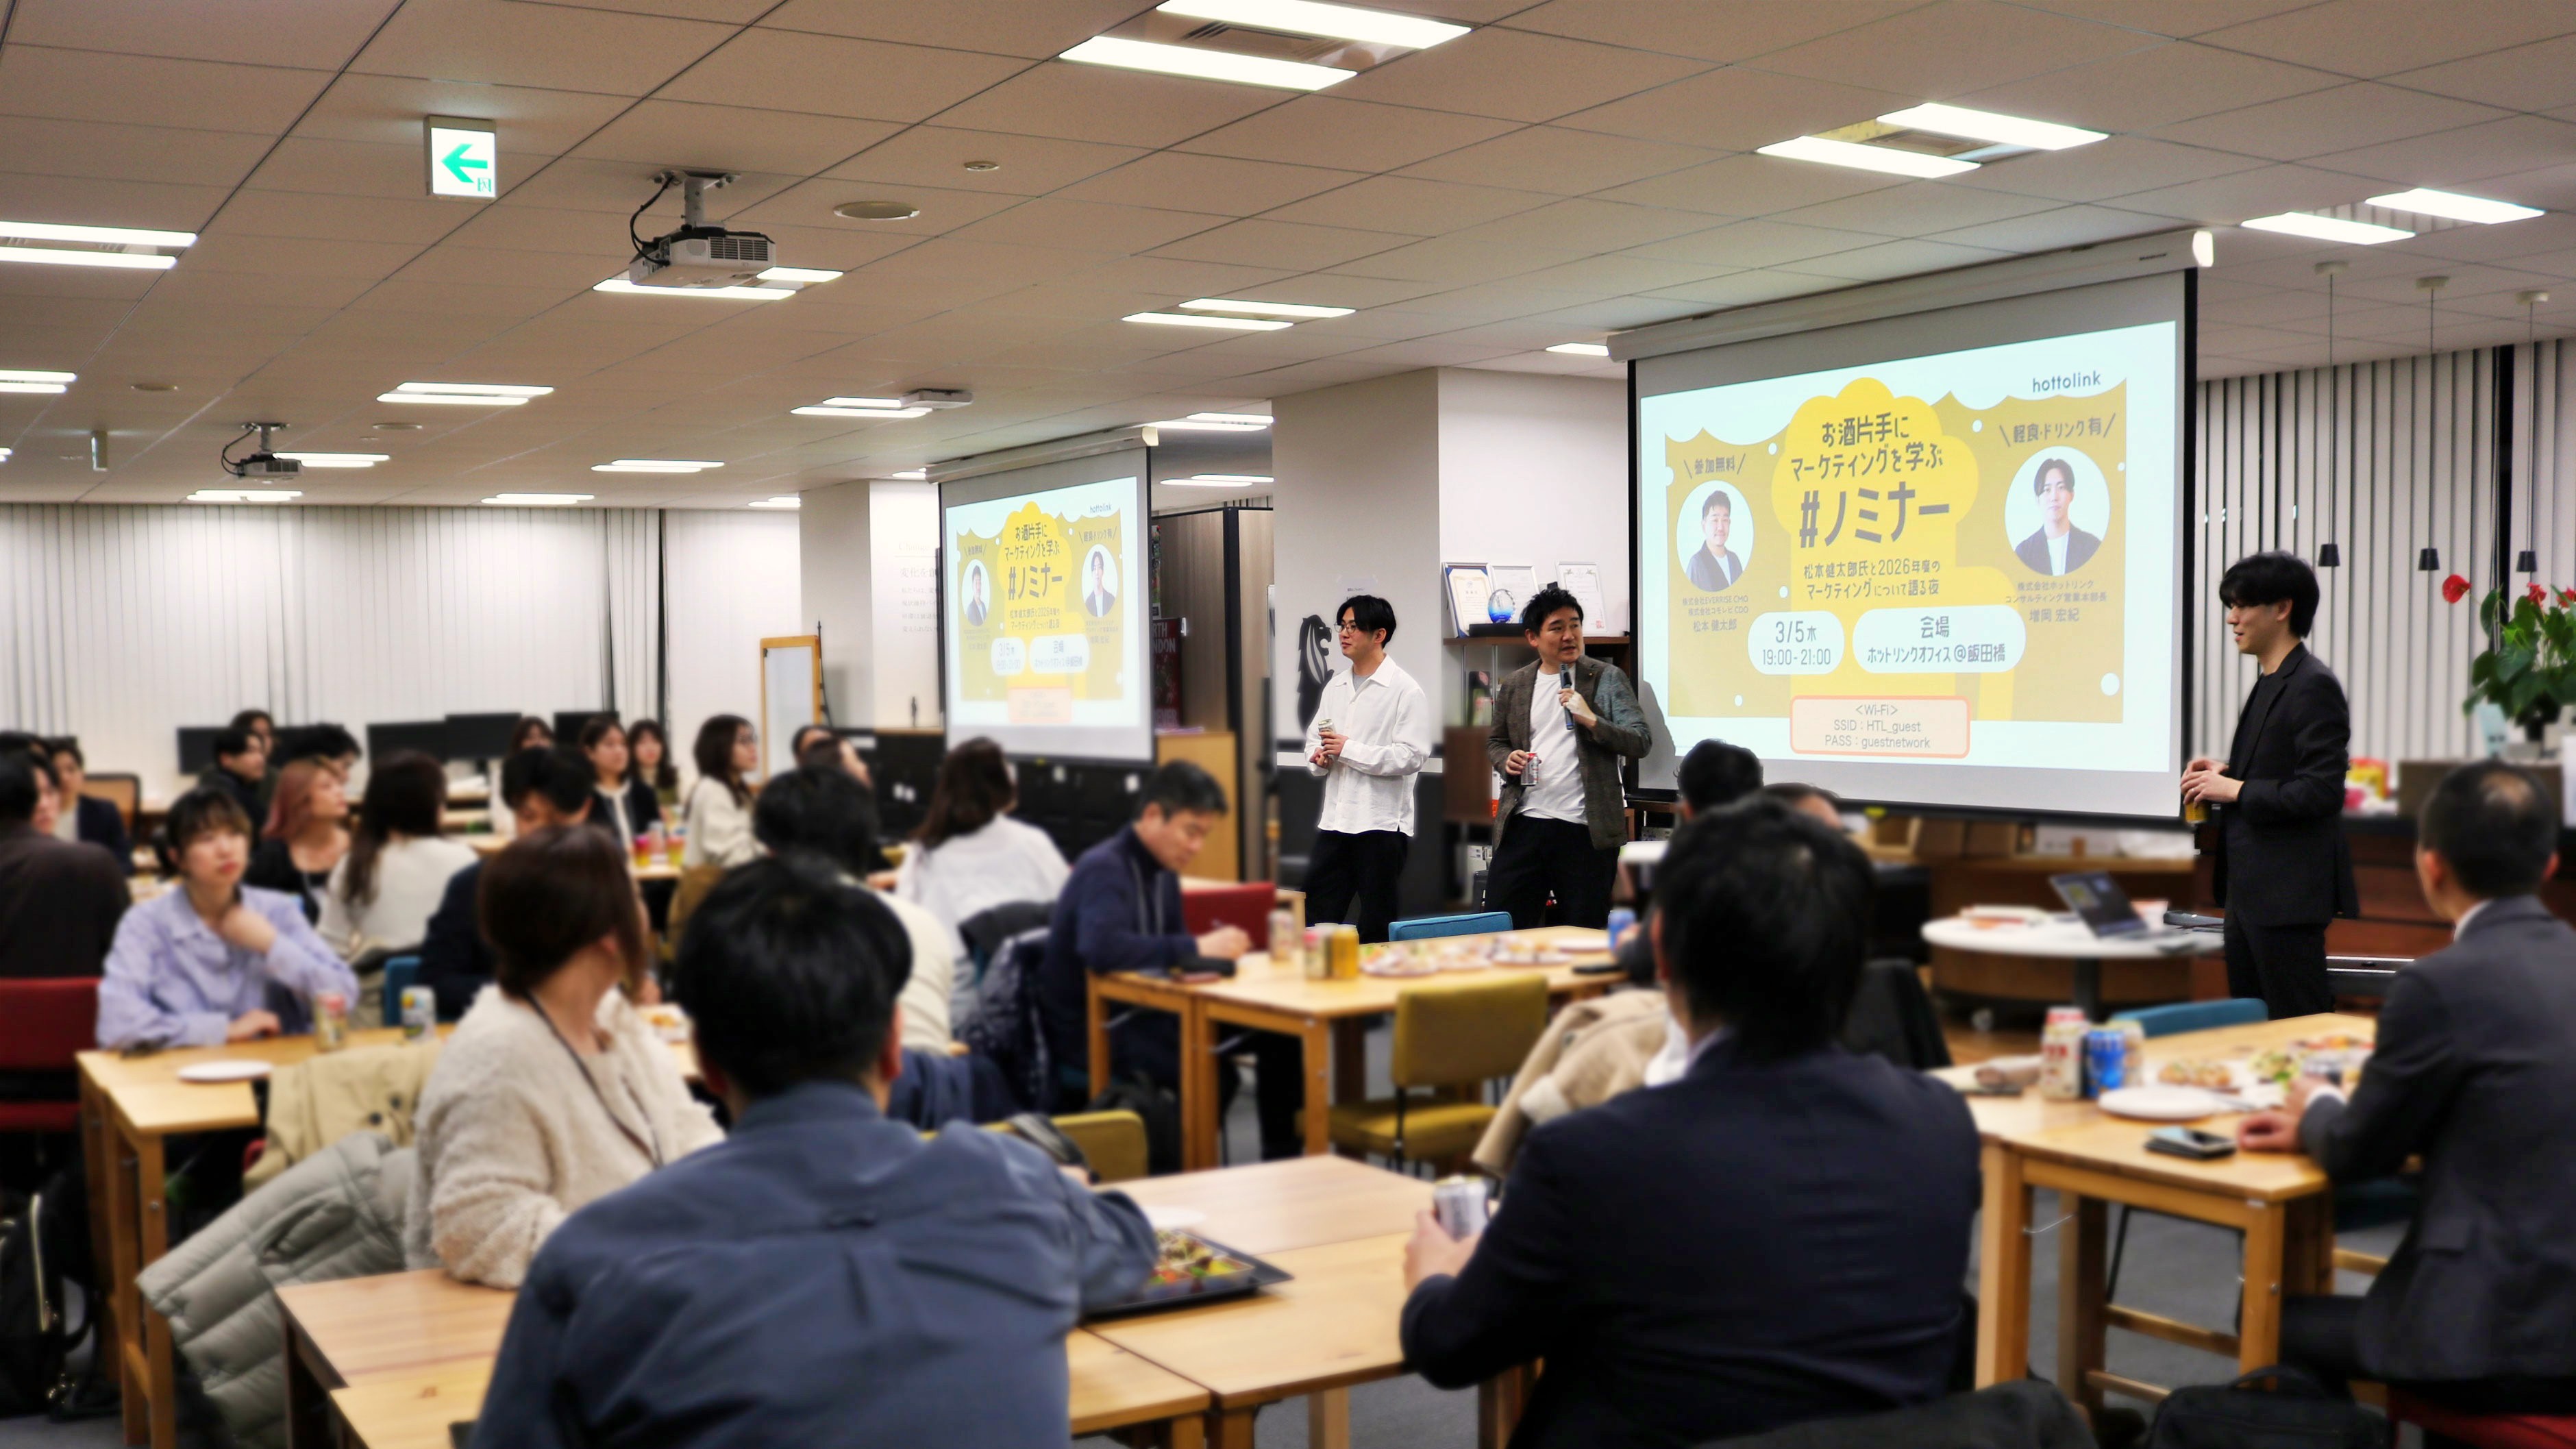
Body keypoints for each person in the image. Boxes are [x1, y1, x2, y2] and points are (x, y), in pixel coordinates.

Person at [471, 856, 1154, 1448]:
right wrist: (1059, 1192)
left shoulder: (595, 1261)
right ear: (895, 1046)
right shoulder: (1013, 1186)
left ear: (706, 1062)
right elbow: (1130, 1247)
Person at [1402, 799, 1979, 1448]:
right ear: (1853, 959)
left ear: (1663, 955)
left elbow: (1452, 1347)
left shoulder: (1590, 1154)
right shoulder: (1941, 1125)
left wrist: (1436, 1274)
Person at [2241, 762, 2576, 1413]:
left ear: (2431, 866)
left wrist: (2318, 1107)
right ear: (2550, 866)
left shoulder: (2438, 985)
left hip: (2495, 1337)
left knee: (2266, 1317)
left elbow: (2356, 1152)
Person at [406, 826, 719, 1289]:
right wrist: (641, 1243)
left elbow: (686, 1129)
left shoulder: (611, 1015)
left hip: (638, 1282)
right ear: (610, 933)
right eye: (635, 896)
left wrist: (731, 1198)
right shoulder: (499, 1055)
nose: (644, 914)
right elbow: (480, 1227)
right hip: (536, 1308)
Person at [1041, 761, 1306, 1159]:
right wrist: (1197, 949)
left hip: (1153, 1010)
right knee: (1211, 1068)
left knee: (1280, 1030)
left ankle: (1283, 1161)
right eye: (1190, 832)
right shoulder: (1105, 868)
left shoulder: (1162, 872)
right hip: (1101, 1024)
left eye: (1204, 836)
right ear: (1152, 816)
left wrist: (1214, 958)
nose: (1196, 847)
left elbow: (1174, 951)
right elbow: (1101, 949)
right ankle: (1183, 1165)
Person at [2183, 551, 2356, 1018]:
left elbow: (2321, 791)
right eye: (2231, 606)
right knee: (2254, 1026)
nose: (2232, 618)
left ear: (2282, 608)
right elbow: (2279, 772)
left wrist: (2235, 790)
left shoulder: (2312, 684)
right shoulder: (2270, 681)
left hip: (2285, 901)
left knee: (2296, 1028)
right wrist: (2225, 773)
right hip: (2249, 894)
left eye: (2242, 606)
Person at [96, 787, 356, 1049]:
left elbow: (345, 994)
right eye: (207, 839)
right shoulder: (145, 924)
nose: (225, 849)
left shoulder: (277, 910)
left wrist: (273, 945)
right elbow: (118, 1026)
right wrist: (224, 1031)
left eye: (234, 834)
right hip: (185, 1070)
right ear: (177, 858)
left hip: (277, 1065)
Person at [752, 763, 956, 1050]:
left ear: (770, 850)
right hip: (930, 1074)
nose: (865, 769)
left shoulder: (758, 931)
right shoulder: (924, 924)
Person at [1485, 586, 1651, 930]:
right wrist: (1507, 759)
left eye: (1575, 625)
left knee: (1583, 933)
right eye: (1557, 627)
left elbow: (1640, 741)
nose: (1569, 636)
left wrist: (1592, 720)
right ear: (1533, 637)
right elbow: (1496, 742)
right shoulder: (1516, 684)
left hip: (1585, 830)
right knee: (1502, 928)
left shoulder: (1606, 678)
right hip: (1524, 823)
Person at [419, 746, 595, 1020]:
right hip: (501, 1028)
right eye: (529, 817)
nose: (541, 832)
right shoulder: (475, 886)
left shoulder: (601, 882)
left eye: (558, 821)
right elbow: (436, 982)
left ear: (584, 810)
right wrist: (528, 992)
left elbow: (625, 971)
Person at [1301, 594, 1431, 943]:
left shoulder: (1405, 690)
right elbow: (1315, 739)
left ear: (1379, 635)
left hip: (1381, 825)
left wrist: (1348, 750)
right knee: (1315, 915)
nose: (1344, 634)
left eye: (1354, 627)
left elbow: (1412, 756)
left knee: (1376, 922)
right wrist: (1319, 758)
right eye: (1342, 626)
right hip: (1336, 821)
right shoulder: (1335, 686)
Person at [895, 737, 1069, 958]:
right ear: (998, 784)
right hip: (1024, 970)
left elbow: (903, 921)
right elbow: (1068, 906)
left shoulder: (925, 850)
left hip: (947, 972)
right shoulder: (1033, 842)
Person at [1612, 739, 1765, 982]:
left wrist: (1627, 942)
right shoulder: (1798, 855)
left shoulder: (1694, 868)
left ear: (1688, 808)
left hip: (1714, 999)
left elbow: (1644, 960)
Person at [318, 752, 474, 961]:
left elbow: (329, 947)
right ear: (435, 804)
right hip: (447, 976)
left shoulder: (354, 864)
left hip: (379, 978)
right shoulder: (464, 859)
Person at [0, 750, 127, 980]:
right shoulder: (94, 863)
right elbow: (128, 964)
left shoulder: (87, 861)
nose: (44, 804)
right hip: (83, 1003)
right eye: (37, 794)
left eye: (50, 792)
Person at [244, 758, 351, 924]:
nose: (339, 792)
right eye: (327, 786)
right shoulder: (273, 857)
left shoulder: (357, 845)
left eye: (339, 784)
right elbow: (253, 914)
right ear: (300, 800)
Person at [682, 715, 760, 869]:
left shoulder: (739, 791)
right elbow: (731, 856)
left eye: (752, 740)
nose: (752, 748)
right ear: (720, 748)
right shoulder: (712, 790)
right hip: (718, 881)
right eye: (743, 742)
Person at [45, 739, 132, 874]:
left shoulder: (105, 812)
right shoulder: (36, 816)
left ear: (82, 775)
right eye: (56, 771)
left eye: (71, 770)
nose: (64, 778)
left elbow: (124, 864)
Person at [580, 716, 662, 847]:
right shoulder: (582, 797)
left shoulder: (644, 793)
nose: (619, 751)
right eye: (610, 744)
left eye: (623, 744)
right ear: (590, 753)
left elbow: (658, 840)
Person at [2012, 457, 2101, 576]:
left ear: (2072, 495)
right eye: (2047, 490)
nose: (2054, 497)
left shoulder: (2091, 547)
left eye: (2061, 488)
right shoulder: (2024, 553)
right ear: (2038, 499)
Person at [198, 726, 269, 844]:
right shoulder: (225, 795)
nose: (261, 759)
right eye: (251, 752)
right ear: (226, 759)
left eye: (261, 752)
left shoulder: (243, 788)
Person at [1684, 489, 1743, 591]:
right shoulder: (1696, 564)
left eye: (1725, 520)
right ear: (1704, 525)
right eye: (1715, 520)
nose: (1720, 527)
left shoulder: (1734, 561)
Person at [626, 718, 682, 814]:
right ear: (631, 748)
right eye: (642, 742)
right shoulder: (625, 782)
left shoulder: (677, 777)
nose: (650, 747)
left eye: (655, 741)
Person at [1083, 549, 1115, 618]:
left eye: (1099, 568)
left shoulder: (1111, 600)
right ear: (1092, 573)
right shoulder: (1088, 603)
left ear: (1103, 571)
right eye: (1094, 568)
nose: (1097, 572)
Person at [964, 562, 989, 626]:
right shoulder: (970, 609)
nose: (978, 587)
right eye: (976, 583)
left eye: (979, 583)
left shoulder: (983, 606)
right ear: (972, 585)